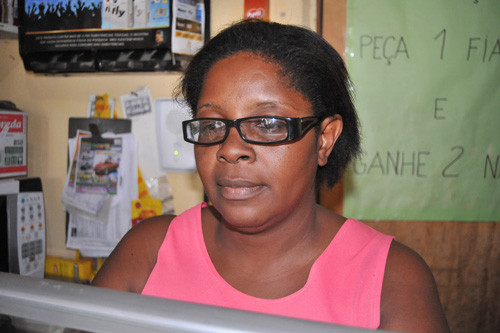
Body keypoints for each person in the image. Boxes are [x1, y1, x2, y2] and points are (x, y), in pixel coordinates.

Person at [92, 20, 449, 332]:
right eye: (212, 124)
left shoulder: (391, 280)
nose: (230, 149)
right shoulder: (148, 251)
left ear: (324, 140)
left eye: (267, 123)